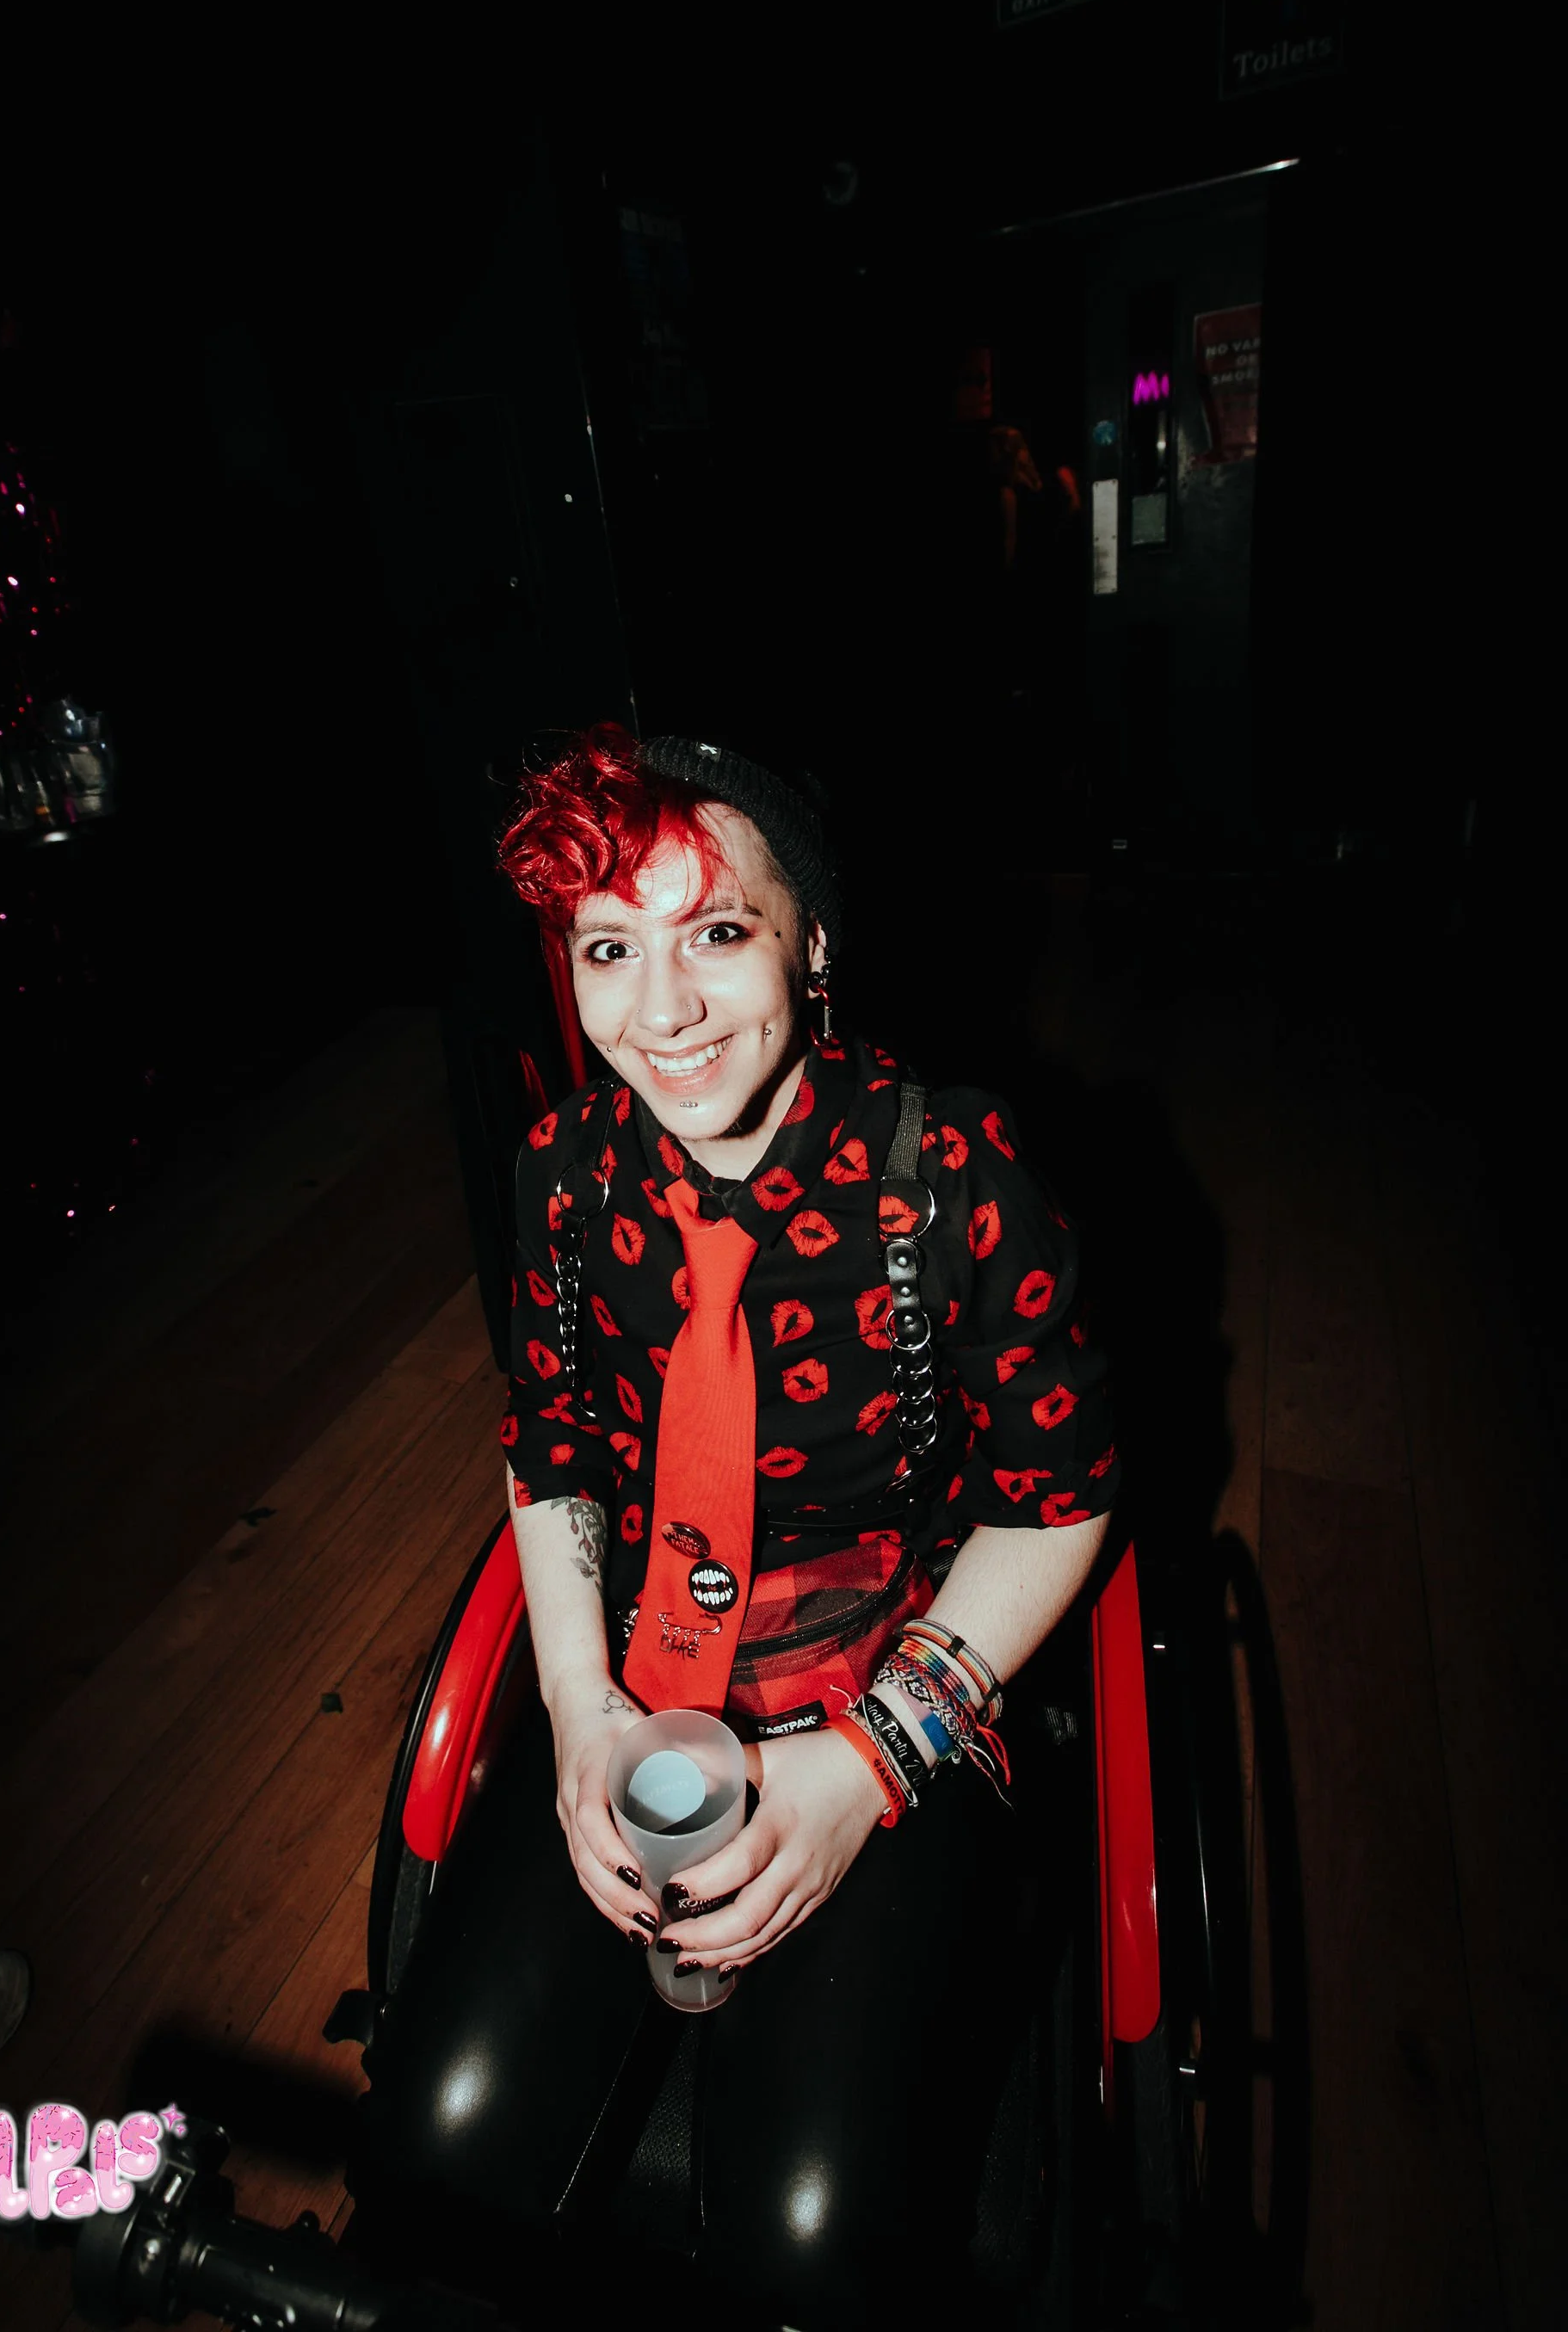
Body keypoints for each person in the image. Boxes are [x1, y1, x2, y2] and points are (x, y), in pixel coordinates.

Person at [362, 725, 1119, 2330]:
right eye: (608, 949)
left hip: (893, 1692)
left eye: (716, 931)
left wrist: (866, 1767)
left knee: (804, 2242)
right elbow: (552, 1454)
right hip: (640, 1693)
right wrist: (579, 1708)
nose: (663, 1011)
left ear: (814, 942)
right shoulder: (565, 1178)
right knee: (433, 2158)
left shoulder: (954, 1175)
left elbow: (1064, 1499)